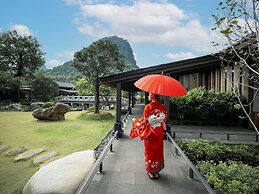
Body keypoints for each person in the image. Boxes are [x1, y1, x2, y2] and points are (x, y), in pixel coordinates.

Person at [130, 93, 168, 179]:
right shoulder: (162, 106)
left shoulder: (148, 107)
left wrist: (135, 121)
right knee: (158, 152)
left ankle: (151, 171)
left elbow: (144, 121)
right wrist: (158, 119)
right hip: (158, 132)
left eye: (150, 94)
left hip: (150, 133)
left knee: (149, 152)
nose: (148, 95)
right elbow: (165, 117)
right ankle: (156, 171)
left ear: (153, 96)